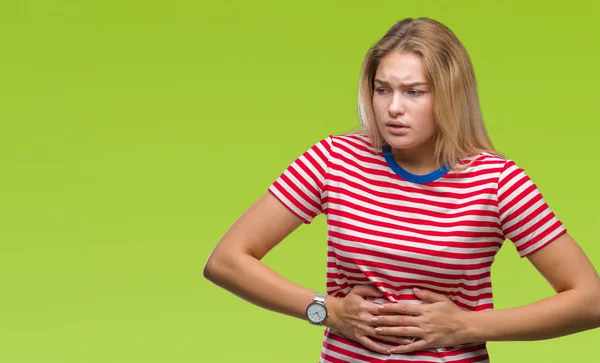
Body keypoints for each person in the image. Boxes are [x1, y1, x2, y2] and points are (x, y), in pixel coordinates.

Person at [203, 17, 600, 363]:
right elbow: (226, 261)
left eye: (414, 91)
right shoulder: (334, 159)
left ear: (449, 95)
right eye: (382, 89)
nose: (393, 107)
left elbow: (590, 301)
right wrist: (328, 311)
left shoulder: (496, 181)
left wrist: (464, 325)